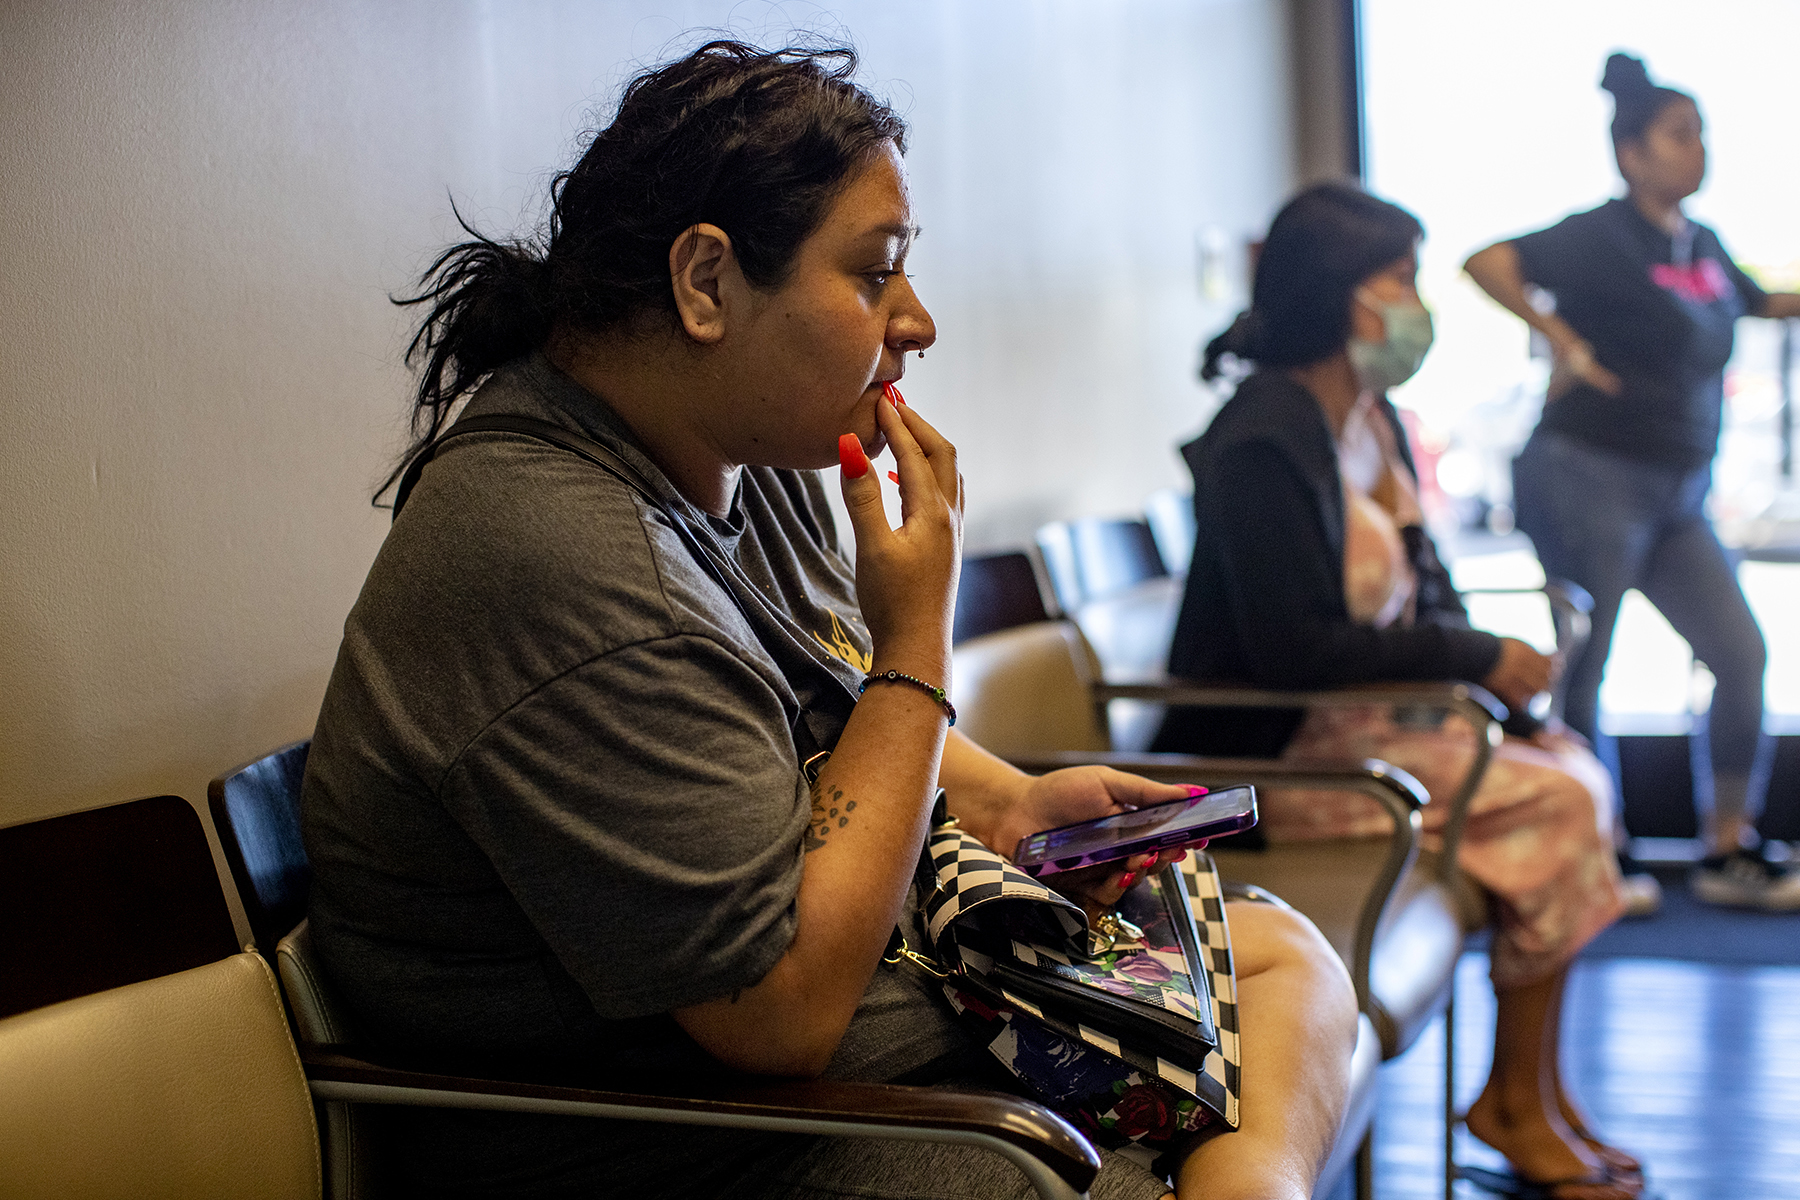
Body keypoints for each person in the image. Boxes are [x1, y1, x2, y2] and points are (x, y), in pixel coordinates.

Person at [301, 40, 1357, 1200]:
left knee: (1288, 961)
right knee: (1221, 1059)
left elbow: (831, 695)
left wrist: (1005, 798)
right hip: (692, 1131)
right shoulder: (564, 563)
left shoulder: (741, 464)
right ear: (705, 284)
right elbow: (784, 1013)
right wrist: (920, 636)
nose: (917, 323)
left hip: (865, 1019)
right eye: (874, 274)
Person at [1153, 183, 1637, 1200]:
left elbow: (1428, 593)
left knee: (1570, 767)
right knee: (1561, 801)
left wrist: (1508, 696)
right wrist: (1473, 661)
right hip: (1264, 757)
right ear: (1340, 295)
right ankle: (1513, 1101)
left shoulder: (1368, 417)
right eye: (1402, 279)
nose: (1418, 304)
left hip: (1358, 735)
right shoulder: (1261, 434)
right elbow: (1290, 649)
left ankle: (1533, 1091)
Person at [1464, 53, 1800, 911]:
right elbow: (1489, 261)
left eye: (1702, 135)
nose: (1698, 151)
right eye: (1679, 136)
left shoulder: (1704, 244)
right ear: (1632, 154)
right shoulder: (1598, 235)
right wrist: (1562, 342)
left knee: (1741, 653)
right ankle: (1597, 855)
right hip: (1590, 473)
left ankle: (1728, 848)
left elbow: (1761, 304)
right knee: (1589, 664)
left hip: (1680, 491)